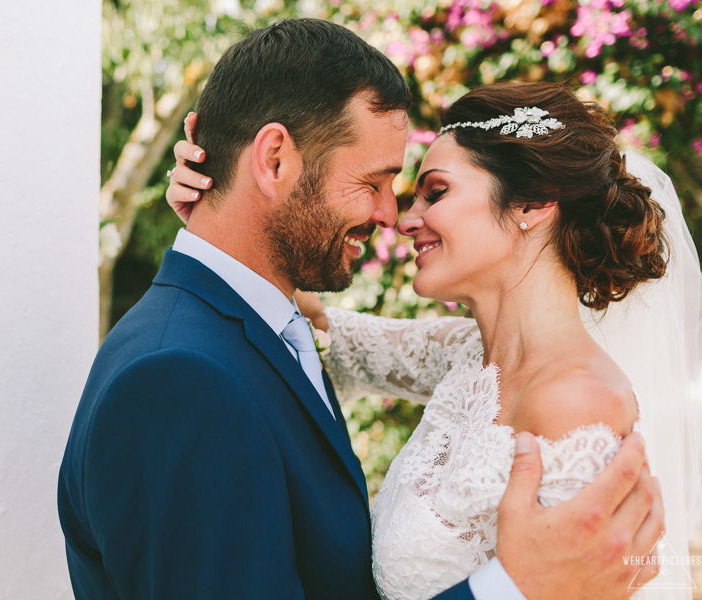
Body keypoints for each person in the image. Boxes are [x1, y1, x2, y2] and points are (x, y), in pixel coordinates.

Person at [60, 19, 663, 600]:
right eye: (376, 182)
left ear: (533, 204)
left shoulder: (263, 336)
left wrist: (225, 220)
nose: (391, 216)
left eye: (434, 191)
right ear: (273, 161)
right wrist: (511, 591)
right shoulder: (180, 382)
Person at [168, 79, 702, 598]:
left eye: (435, 193)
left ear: (533, 202)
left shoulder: (580, 403)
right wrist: (219, 211)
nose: (403, 220)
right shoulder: (464, 356)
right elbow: (307, 328)